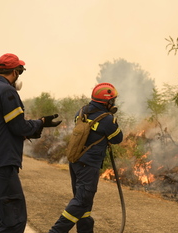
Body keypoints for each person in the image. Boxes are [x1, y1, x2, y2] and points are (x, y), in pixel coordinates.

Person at [0, 53, 62, 233]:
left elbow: (3, 126)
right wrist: (41, 123)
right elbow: (19, 127)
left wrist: (33, 127)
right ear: (16, 72)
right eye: (20, 71)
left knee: (2, 219)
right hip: (3, 163)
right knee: (14, 221)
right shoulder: (7, 91)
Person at [48, 82, 123, 233]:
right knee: (81, 202)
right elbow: (117, 138)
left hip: (75, 161)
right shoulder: (108, 119)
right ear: (107, 102)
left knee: (84, 203)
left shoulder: (81, 112)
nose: (114, 103)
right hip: (89, 165)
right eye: (112, 100)